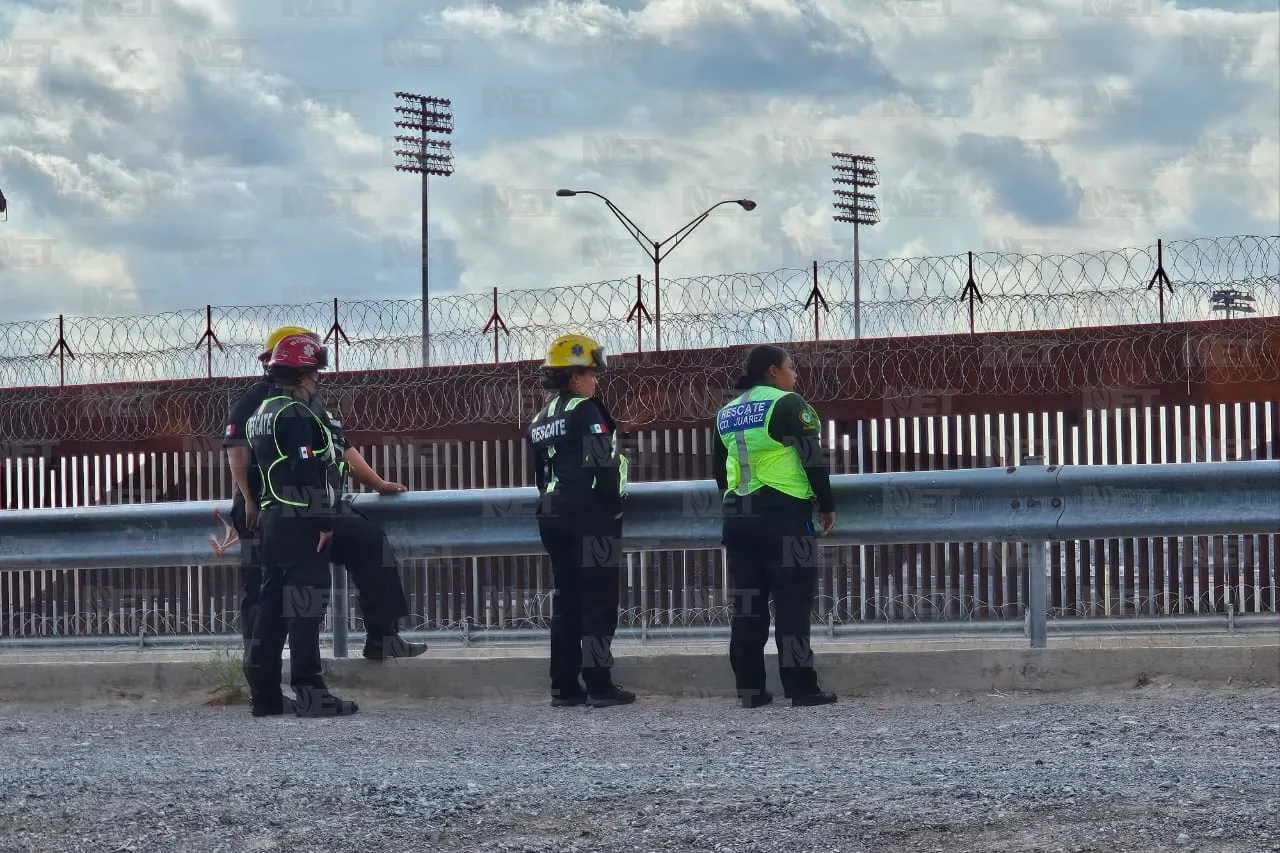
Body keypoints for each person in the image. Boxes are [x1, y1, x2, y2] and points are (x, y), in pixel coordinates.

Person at [221, 326, 425, 663]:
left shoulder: (311, 403)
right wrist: (250, 500)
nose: (317, 374)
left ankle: (383, 637)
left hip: (316, 506)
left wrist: (378, 484)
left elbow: (341, 446)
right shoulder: (257, 401)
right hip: (272, 508)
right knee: (267, 590)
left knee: (371, 546)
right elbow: (235, 451)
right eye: (312, 366)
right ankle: (259, 669)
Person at [712, 344, 838, 709]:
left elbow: (719, 475)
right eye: (791, 368)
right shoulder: (787, 404)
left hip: (737, 516)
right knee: (792, 604)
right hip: (783, 515)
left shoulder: (726, 413)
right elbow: (812, 460)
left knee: (748, 605)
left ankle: (750, 690)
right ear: (772, 371)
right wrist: (827, 504)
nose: (794, 374)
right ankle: (801, 688)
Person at [243, 332, 359, 716]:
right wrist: (324, 519)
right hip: (299, 520)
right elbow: (306, 469)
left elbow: (254, 469)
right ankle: (311, 693)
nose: (317, 382)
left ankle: (264, 695)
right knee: (305, 608)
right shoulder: (294, 414)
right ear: (303, 375)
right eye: (315, 376)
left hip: (272, 518)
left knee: (271, 609)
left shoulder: (260, 413)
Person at [526, 333, 634, 708]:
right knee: (599, 602)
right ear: (573, 377)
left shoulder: (540, 418)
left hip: (552, 515)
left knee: (567, 602)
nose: (595, 381)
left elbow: (538, 476)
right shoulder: (587, 410)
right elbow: (603, 463)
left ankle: (564, 686)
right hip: (589, 514)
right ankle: (600, 685)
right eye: (590, 373)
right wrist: (614, 505)